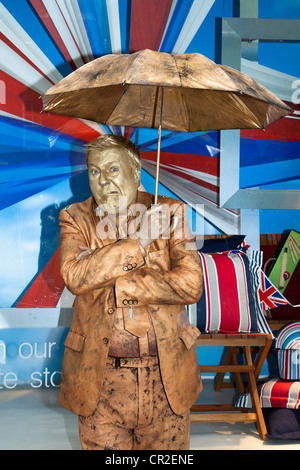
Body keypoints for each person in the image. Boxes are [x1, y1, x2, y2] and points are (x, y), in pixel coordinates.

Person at [58, 134, 203, 450]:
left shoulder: (171, 212)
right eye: (94, 171)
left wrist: (122, 284)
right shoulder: (75, 218)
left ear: (136, 173)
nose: (103, 180)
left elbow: (191, 285)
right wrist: (138, 242)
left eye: (112, 169)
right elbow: (76, 277)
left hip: (167, 375)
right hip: (101, 378)